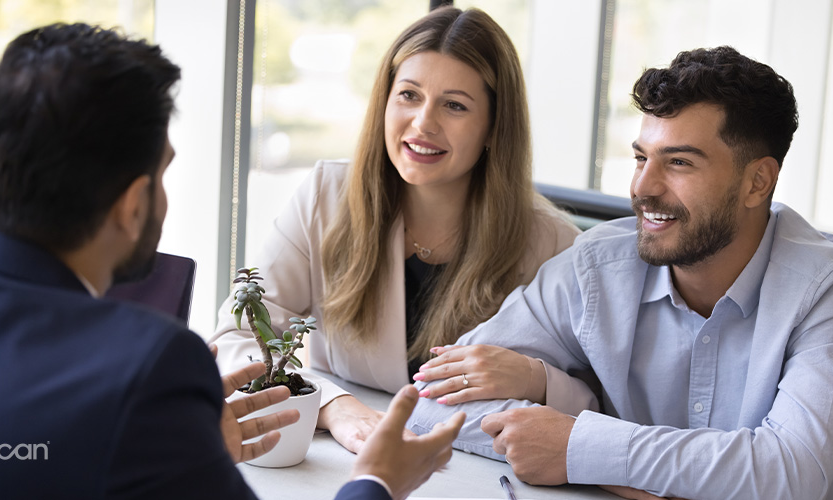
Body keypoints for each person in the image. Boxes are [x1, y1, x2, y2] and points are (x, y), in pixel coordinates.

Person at [0, 23, 465, 500]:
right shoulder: (142, 367)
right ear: (134, 202)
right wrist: (376, 482)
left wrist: (181, 455)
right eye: (164, 174)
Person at [406, 46, 833, 499]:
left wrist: (581, 449)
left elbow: (791, 470)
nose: (643, 188)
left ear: (757, 182)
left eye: (678, 162)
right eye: (640, 157)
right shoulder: (598, 263)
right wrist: (584, 439)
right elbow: (430, 402)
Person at [210, 6, 597, 455]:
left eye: (454, 105)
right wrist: (333, 406)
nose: (423, 124)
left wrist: (535, 378)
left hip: (481, 470)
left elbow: (601, 400)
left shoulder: (553, 242)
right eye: (409, 95)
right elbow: (235, 341)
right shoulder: (326, 194)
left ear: (494, 126)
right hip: (341, 456)